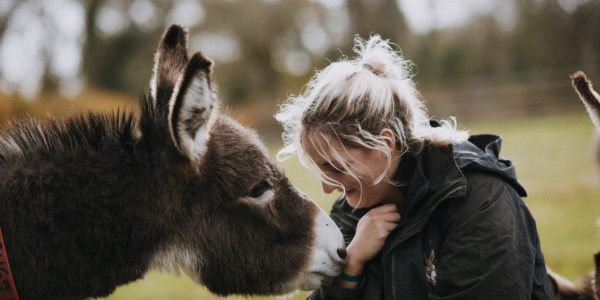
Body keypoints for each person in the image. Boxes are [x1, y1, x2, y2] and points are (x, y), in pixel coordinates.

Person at [275, 35, 554, 299]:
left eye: (336, 167)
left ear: (385, 144)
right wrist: (352, 261)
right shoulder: (352, 213)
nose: (326, 188)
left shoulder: (477, 198)